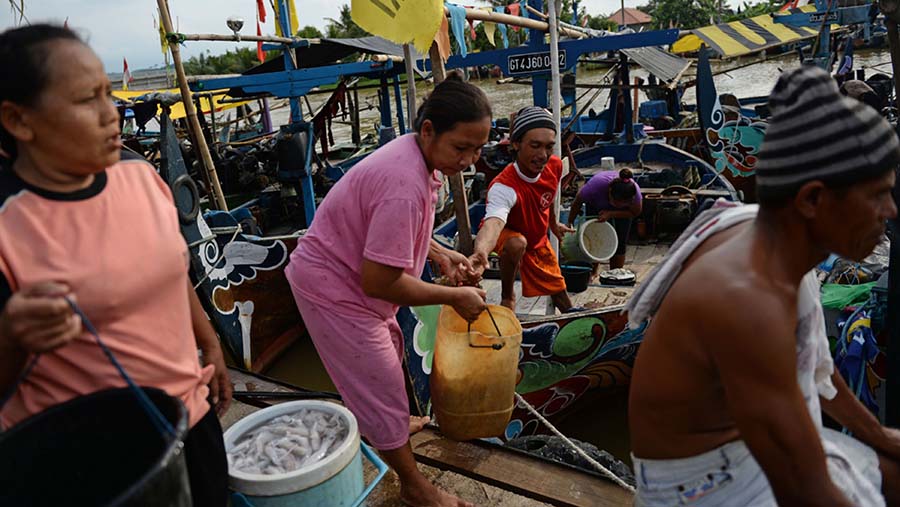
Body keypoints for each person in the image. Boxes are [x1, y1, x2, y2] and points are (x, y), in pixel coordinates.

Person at [626, 65, 900, 506]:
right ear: (811, 199)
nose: (890, 211)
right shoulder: (746, 301)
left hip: (750, 451)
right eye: (877, 196)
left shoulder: (770, 235)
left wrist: (881, 434)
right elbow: (805, 491)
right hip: (703, 485)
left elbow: (818, 368)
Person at [0, 25, 231, 506]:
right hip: (90, 466)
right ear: (19, 120)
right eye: (88, 100)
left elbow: (169, 267)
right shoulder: (9, 225)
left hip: (189, 421)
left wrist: (208, 341)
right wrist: (11, 337)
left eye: (109, 93)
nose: (113, 114)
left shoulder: (141, 179)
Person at [285, 73, 488, 507]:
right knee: (376, 374)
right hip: (331, 284)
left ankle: (389, 424)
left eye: (478, 149)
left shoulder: (415, 155)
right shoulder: (404, 184)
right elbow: (380, 281)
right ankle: (415, 487)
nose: (469, 159)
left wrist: (439, 253)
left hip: (347, 266)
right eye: (461, 148)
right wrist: (454, 296)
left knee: (384, 373)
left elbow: (387, 231)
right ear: (429, 130)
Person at [470, 106, 576, 313]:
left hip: (536, 235)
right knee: (517, 243)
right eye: (535, 146)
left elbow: (548, 199)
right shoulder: (504, 186)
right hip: (506, 233)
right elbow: (494, 223)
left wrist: (553, 225)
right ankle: (507, 295)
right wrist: (481, 253)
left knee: (560, 292)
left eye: (548, 147)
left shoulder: (554, 165)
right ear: (516, 144)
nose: (542, 155)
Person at [567, 167, 642, 270]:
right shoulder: (594, 188)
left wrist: (611, 213)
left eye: (623, 204)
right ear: (610, 191)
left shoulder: (634, 193)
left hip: (622, 214)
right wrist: (570, 222)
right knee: (592, 237)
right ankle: (592, 272)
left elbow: (635, 212)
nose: (618, 205)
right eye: (616, 203)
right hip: (596, 204)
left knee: (620, 242)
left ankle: (615, 273)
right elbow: (577, 202)